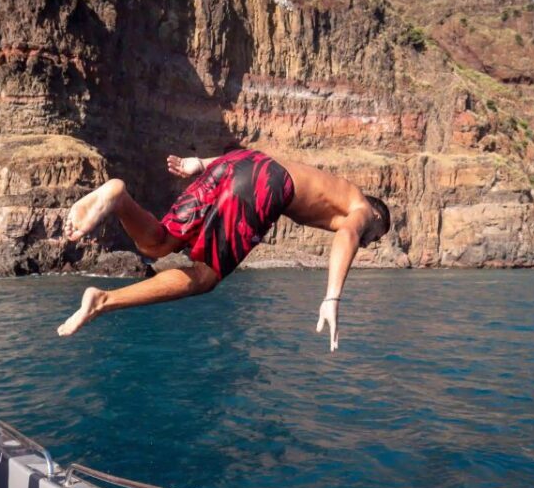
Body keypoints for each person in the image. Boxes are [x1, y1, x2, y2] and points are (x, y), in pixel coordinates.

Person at [57, 149, 391, 351]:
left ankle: (118, 198)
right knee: (204, 276)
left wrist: (201, 164)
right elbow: (348, 235)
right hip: (264, 183)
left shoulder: (329, 186)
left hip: (238, 164)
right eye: (375, 236)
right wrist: (332, 298)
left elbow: (258, 160)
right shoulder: (360, 206)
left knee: (157, 243)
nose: (369, 242)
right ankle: (103, 300)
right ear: (376, 216)